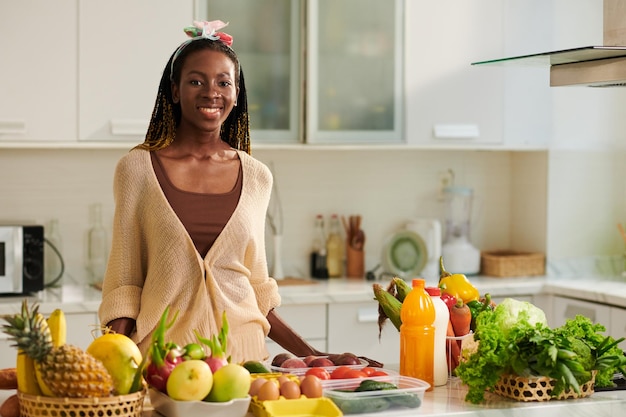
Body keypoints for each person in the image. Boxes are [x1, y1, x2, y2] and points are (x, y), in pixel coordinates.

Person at [98, 20, 382, 367]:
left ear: (236, 92)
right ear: (175, 90)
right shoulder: (138, 168)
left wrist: (317, 356)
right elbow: (124, 285)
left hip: (245, 364)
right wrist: (111, 364)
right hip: (163, 366)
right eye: (196, 81)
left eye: (223, 82)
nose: (211, 92)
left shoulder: (257, 176)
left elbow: (258, 289)